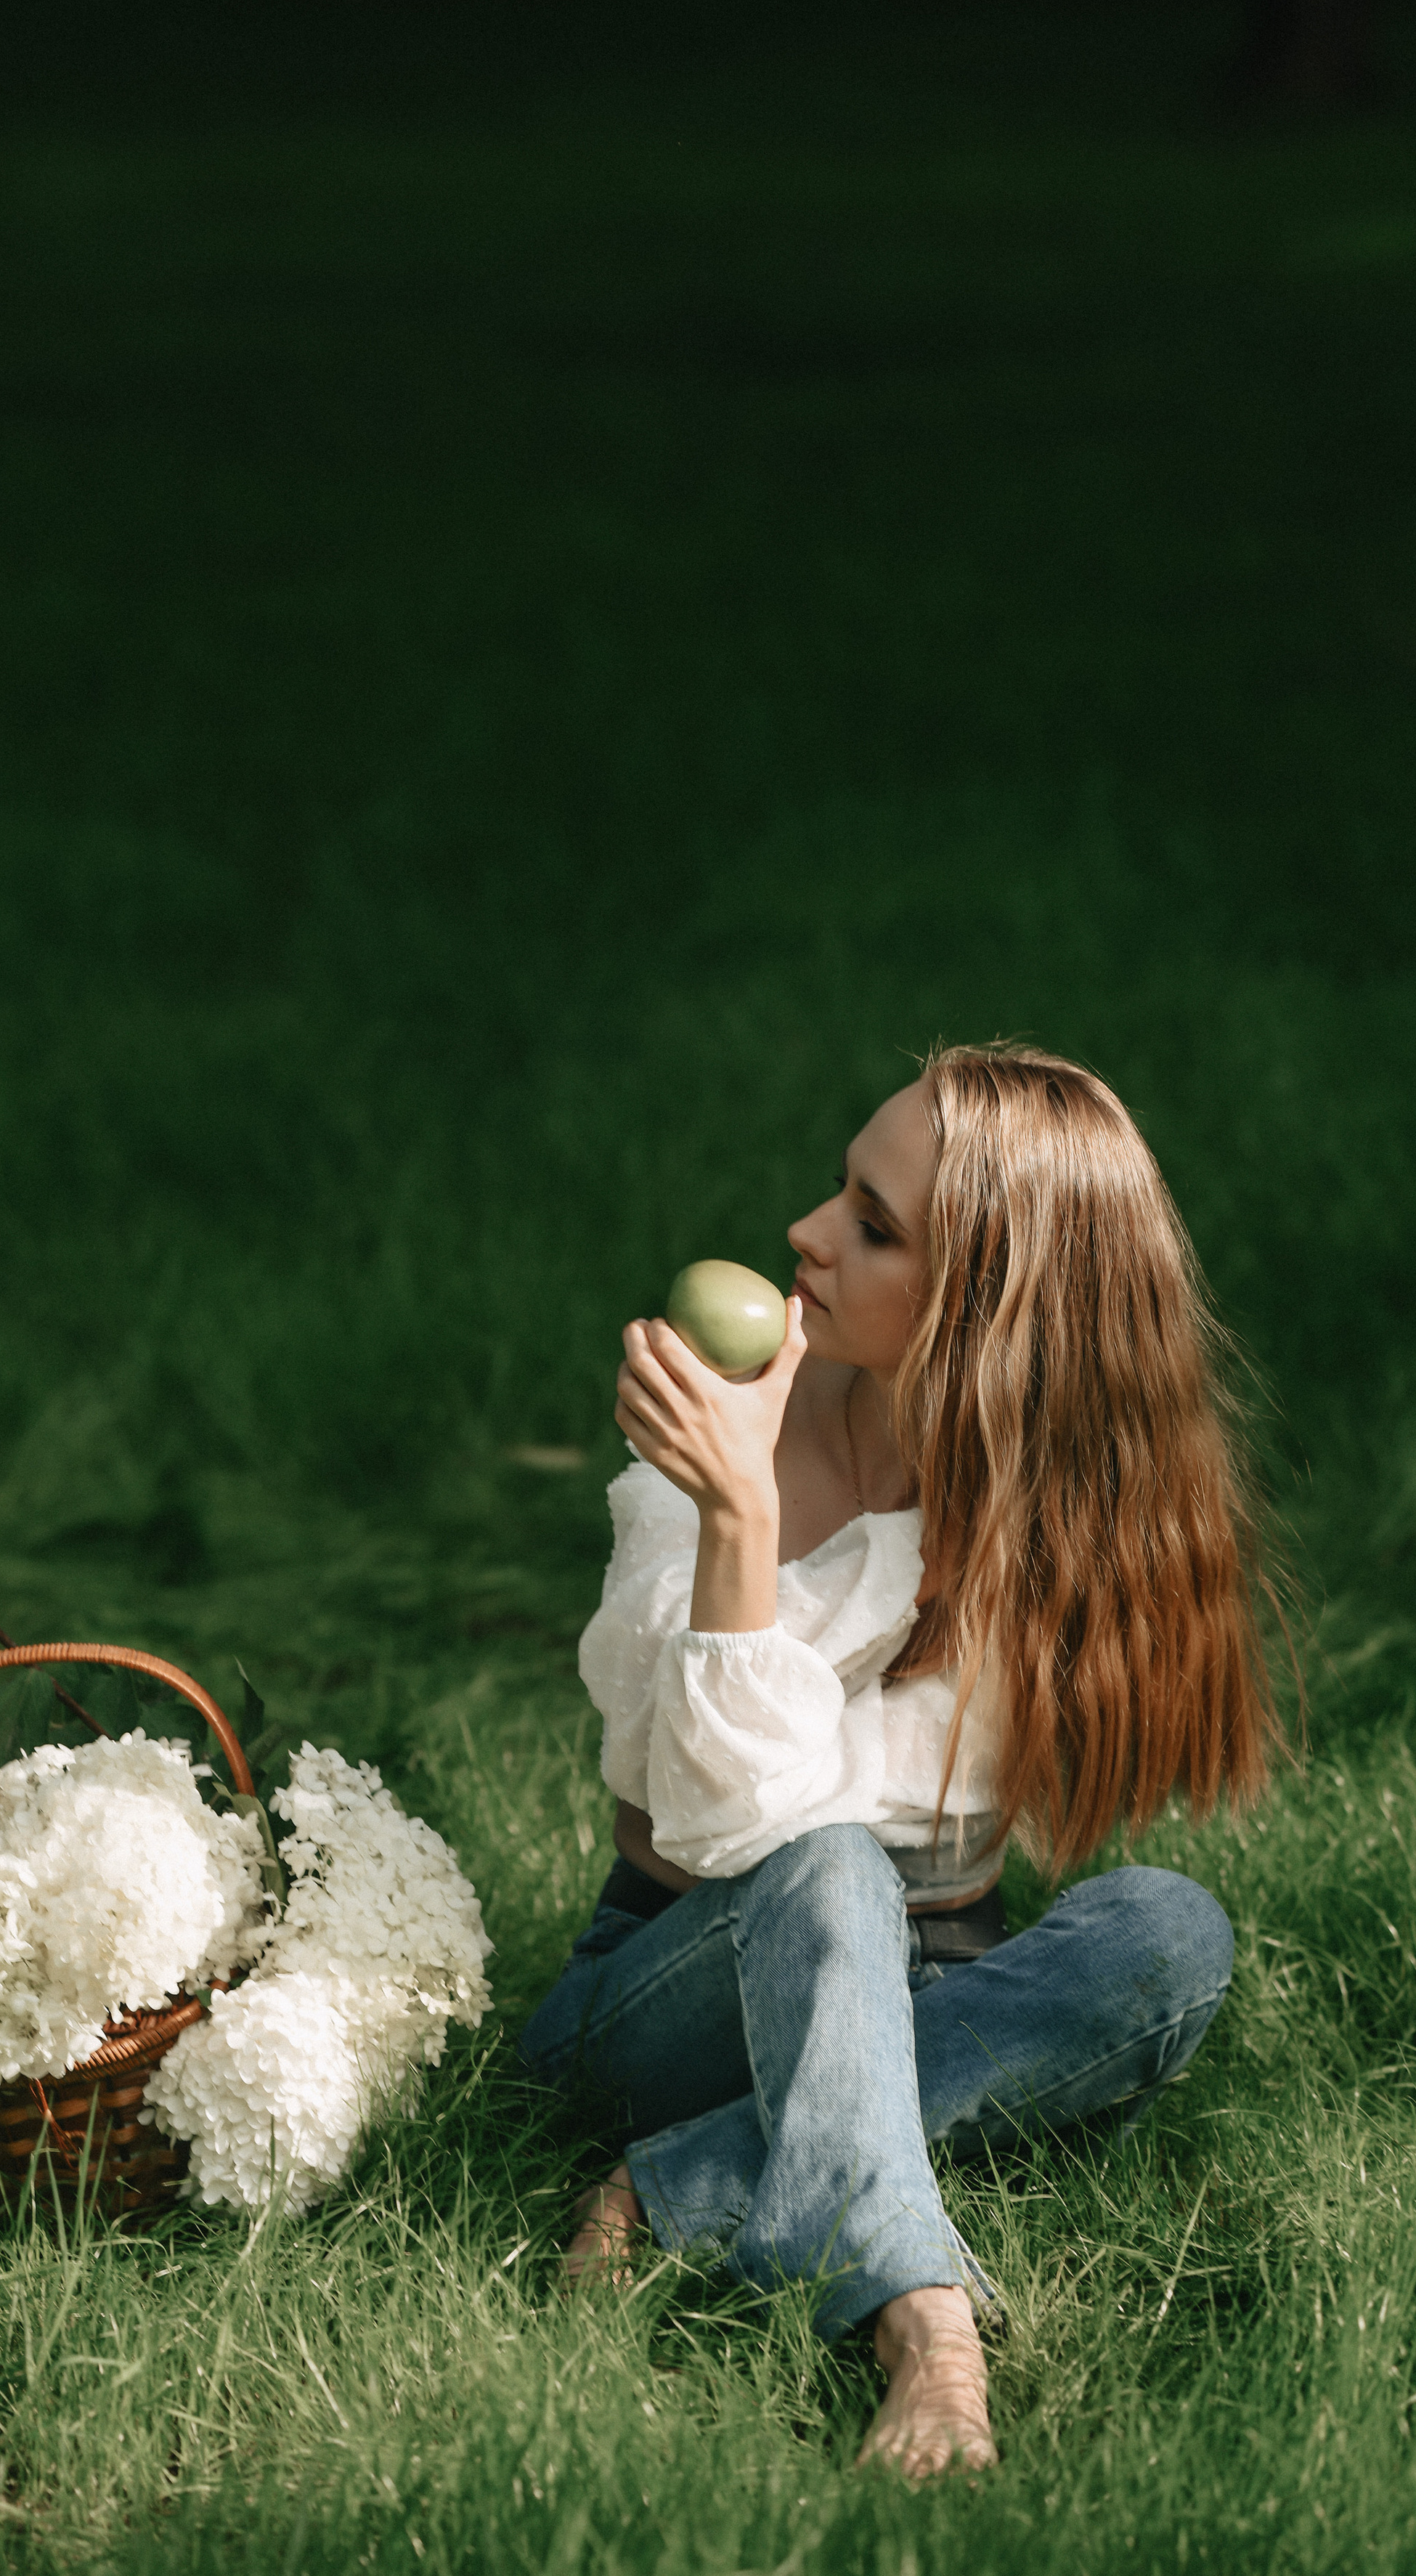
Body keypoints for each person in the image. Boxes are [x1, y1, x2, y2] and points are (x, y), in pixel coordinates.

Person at [519, 1042, 1281, 2478]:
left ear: (982, 1318)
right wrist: (737, 1519)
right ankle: (922, 2321)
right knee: (825, 1865)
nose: (804, 1236)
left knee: (1169, 1932)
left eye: (873, 1228)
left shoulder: (1047, 1525)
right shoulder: (718, 1437)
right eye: (838, 1193)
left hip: (929, 1969)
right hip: (674, 1979)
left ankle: (687, 2183)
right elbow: (714, 1837)